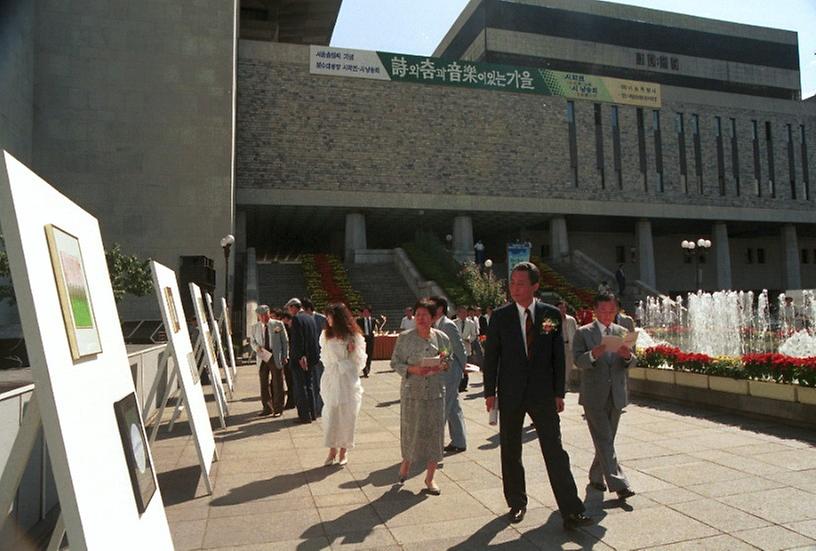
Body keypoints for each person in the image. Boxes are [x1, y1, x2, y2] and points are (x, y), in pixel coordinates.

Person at [483, 262, 592, 529]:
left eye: (521, 283)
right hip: (510, 392)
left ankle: (571, 510)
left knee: (555, 450)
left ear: (535, 286)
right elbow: (492, 357)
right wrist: (489, 392)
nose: (515, 288)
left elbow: (557, 357)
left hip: (543, 394)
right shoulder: (500, 316)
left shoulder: (550, 315)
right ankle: (517, 502)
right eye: (512, 283)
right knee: (510, 449)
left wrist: (559, 392)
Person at [573, 293, 638, 500]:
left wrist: (627, 356)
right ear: (595, 310)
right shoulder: (584, 333)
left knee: (606, 440)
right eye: (603, 310)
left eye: (611, 311)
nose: (607, 315)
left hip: (616, 394)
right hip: (594, 396)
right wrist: (593, 354)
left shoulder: (622, 332)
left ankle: (595, 477)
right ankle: (619, 484)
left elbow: (633, 361)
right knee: (604, 438)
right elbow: (577, 361)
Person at [390, 298, 450, 495]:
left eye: (426, 315)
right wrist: (412, 369)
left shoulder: (442, 338)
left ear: (433, 318)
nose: (421, 318)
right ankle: (406, 463)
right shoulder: (405, 337)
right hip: (412, 392)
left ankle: (430, 478)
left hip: (435, 392)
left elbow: (447, 361)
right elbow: (395, 362)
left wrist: (440, 365)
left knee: (435, 433)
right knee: (411, 431)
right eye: (418, 315)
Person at [319, 303, 365, 467]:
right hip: (332, 377)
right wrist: (333, 367)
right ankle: (332, 450)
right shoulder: (326, 335)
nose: (327, 320)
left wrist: (352, 352)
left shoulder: (353, 336)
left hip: (347, 379)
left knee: (348, 415)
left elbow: (360, 363)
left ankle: (344, 450)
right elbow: (323, 357)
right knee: (331, 414)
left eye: (329, 316)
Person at [429, 296, 468, 454]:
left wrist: (463, 367)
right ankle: (459, 441)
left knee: (443, 407)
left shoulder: (447, 325)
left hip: (450, 372)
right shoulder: (437, 325)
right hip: (444, 371)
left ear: (440, 309)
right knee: (453, 408)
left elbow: (459, 348)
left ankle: (435, 445)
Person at [249, 305, 289, 417]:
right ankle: (267, 407)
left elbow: (284, 341)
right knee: (263, 383)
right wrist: (256, 347)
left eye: (265, 315)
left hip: (275, 355)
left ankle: (278, 408)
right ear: (258, 317)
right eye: (261, 316)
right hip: (262, 356)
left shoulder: (277, 324)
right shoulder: (255, 327)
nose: (263, 318)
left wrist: (285, 355)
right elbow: (252, 341)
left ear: (269, 313)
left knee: (278, 382)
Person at [286, 298, 320, 423]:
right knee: (309, 386)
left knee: (300, 387)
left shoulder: (296, 319)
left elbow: (298, 340)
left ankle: (304, 416)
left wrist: (301, 356)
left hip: (301, 359)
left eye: (289, 308)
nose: (289, 311)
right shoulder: (310, 318)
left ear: (294, 307)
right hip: (311, 357)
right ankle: (312, 413)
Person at [455, 305, 479, 393]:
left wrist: (470, 339)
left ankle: (464, 385)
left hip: (466, 345)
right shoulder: (454, 323)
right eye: (462, 312)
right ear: (458, 313)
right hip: (456, 348)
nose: (464, 314)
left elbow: (474, 335)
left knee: (465, 366)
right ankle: (458, 384)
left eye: (465, 312)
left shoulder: (471, 323)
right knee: (457, 366)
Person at [556, 300, 579, 391]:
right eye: (560, 307)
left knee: (568, 366)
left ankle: (565, 385)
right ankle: (558, 385)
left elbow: (576, 332)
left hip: (568, 345)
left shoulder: (571, 319)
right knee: (557, 366)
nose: (563, 309)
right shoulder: (551, 319)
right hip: (557, 346)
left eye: (564, 307)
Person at [357, 306, 376, 378]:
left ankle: (368, 367)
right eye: (364, 312)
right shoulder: (359, 320)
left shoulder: (373, 320)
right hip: (363, 339)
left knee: (369, 354)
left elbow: (373, 329)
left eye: (366, 312)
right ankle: (365, 370)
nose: (365, 313)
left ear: (370, 313)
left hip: (370, 339)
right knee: (363, 354)